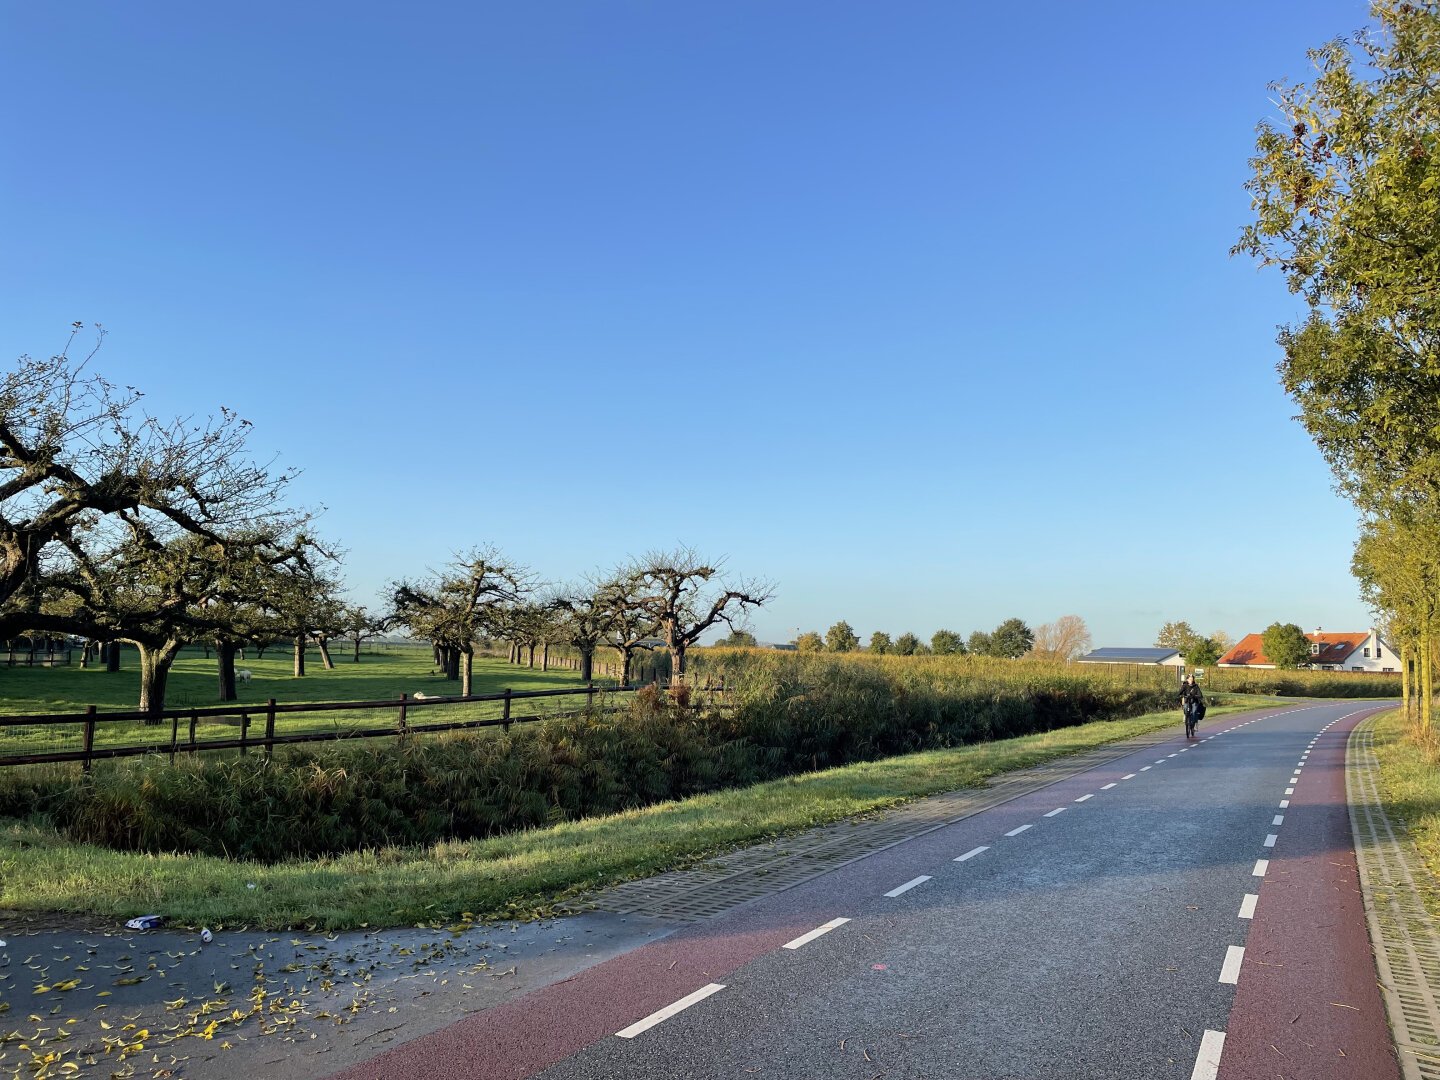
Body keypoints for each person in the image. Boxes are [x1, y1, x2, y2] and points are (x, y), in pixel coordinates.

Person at [1180, 674, 1206, 739]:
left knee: (1194, 711)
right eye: (1189, 679)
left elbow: (1200, 695)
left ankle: (1193, 724)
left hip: (1194, 701)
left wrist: (1195, 696)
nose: (1191, 680)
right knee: (1185, 708)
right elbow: (1180, 692)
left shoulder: (1196, 686)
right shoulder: (1184, 686)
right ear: (1187, 679)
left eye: (1192, 679)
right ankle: (1186, 716)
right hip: (1187, 701)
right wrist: (1179, 695)